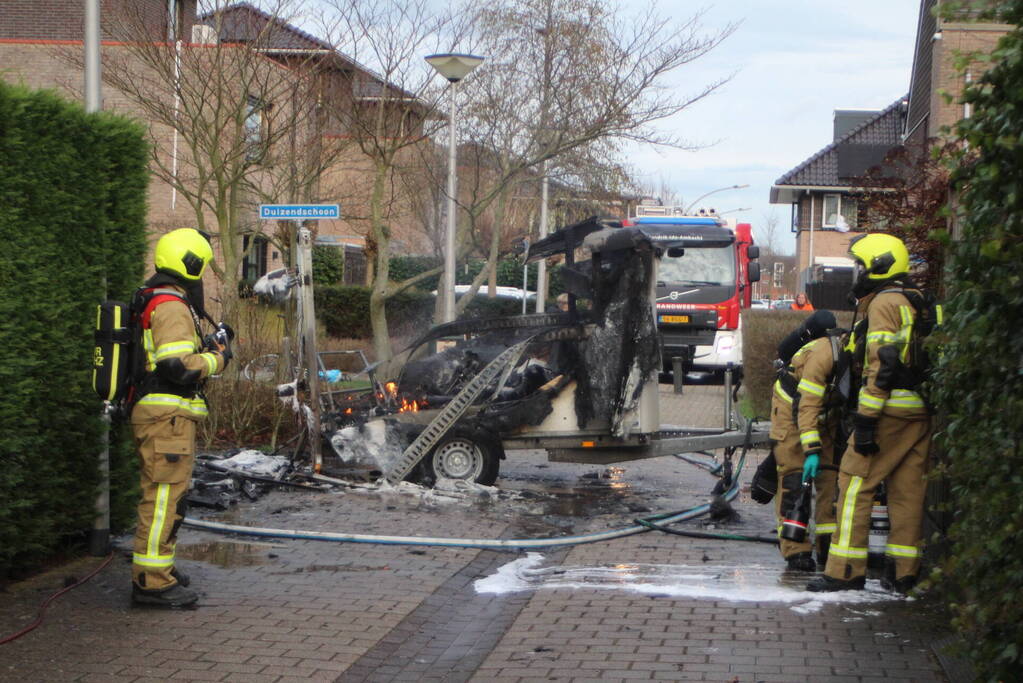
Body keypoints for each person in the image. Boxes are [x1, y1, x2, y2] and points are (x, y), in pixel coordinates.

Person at [808, 233, 931, 594]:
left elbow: (882, 363)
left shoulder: (883, 304)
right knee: (907, 491)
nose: (858, 273)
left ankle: (844, 570)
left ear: (879, 265)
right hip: (920, 410)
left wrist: (866, 418)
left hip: (888, 410)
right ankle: (903, 573)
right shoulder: (917, 300)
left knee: (854, 484)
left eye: (862, 265)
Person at [130, 228, 230, 608]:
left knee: (165, 499)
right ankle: (151, 583)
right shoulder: (171, 304)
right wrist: (219, 358)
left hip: (160, 416)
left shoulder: (154, 297)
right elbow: (176, 366)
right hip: (165, 418)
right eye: (201, 267)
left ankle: (159, 571)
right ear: (189, 264)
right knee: (162, 502)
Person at [768, 310, 841, 571]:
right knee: (793, 479)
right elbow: (806, 404)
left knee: (829, 480)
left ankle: (827, 547)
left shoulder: (851, 352)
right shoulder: (822, 356)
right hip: (791, 410)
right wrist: (811, 449)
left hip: (823, 414)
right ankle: (795, 551)